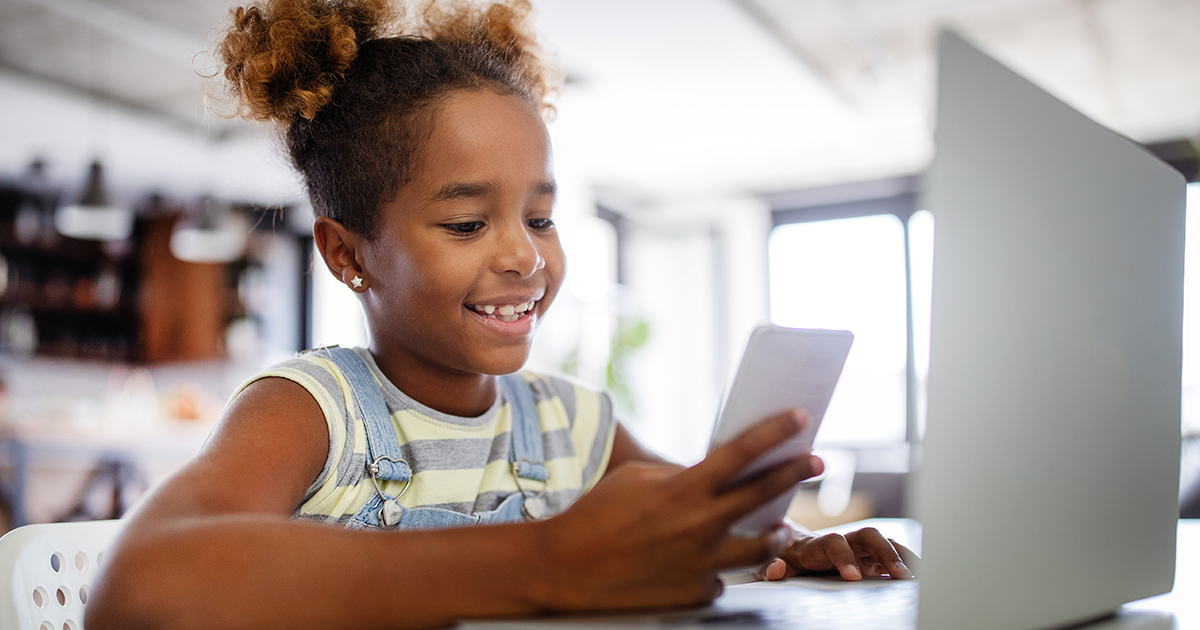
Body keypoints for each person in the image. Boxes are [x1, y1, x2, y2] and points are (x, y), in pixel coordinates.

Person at [86, 1, 912, 628]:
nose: (525, 256)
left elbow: (684, 532)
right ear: (347, 254)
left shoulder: (570, 424)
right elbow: (137, 590)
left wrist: (783, 547)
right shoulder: (314, 411)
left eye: (541, 217)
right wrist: (544, 559)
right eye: (467, 223)